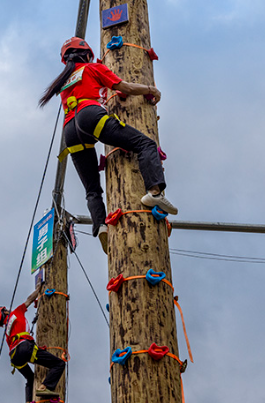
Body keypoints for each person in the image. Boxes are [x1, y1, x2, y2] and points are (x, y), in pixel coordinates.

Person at [39, 37, 178, 254]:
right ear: (86, 55)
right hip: (90, 115)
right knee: (145, 144)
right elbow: (125, 87)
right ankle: (154, 192)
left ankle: (101, 225)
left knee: (91, 190)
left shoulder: (64, 81)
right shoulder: (93, 68)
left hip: (70, 131)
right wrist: (151, 89)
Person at [0, 285, 66, 403]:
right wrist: (39, 289)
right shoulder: (16, 312)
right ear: (5, 312)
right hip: (25, 348)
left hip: (14, 357)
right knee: (59, 364)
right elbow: (29, 300)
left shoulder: (8, 331)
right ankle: (45, 387)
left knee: (30, 378)